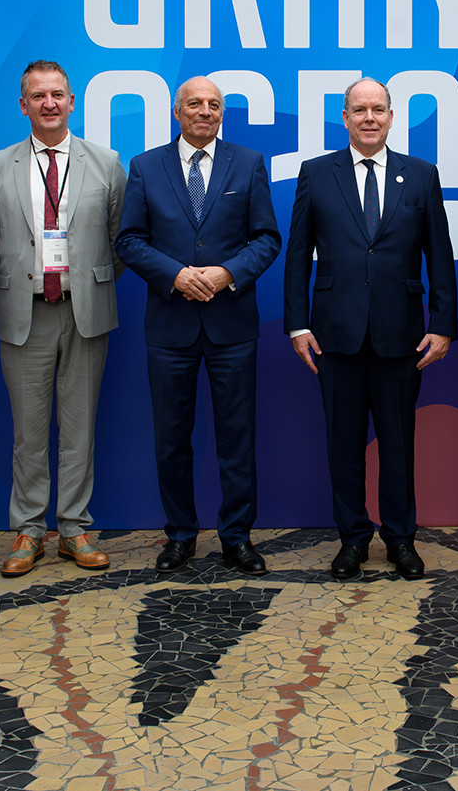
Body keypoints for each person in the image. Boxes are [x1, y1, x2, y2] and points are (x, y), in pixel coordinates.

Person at [283, 78, 456, 580]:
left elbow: (439, 256)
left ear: (391, 115)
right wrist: (297, 324)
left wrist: (443, 324)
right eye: (359, 110)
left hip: (402, 336)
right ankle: (352, 539)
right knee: (343, 444)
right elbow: (298, 256)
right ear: (344, 117)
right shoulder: (316, 173)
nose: (369, 118)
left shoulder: (420, 175)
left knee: (400, 444)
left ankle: (402, 539)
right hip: (334, 334)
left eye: (378, 109)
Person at [116, 76, 282, 574]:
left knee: (237, 436)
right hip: (170, 327)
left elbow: (267, 238)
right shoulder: (146, 166)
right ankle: (181, 535)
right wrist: (177, 275)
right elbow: (129, 240)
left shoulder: (248, 162)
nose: (204, 111)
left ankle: (237, 537)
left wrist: (228, 272)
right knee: (171, 438)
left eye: (214, 105)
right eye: (195, 104)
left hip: (232, 326)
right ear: (176, 111)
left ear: (222, 113)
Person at [0, 60, 127, 578]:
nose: (49, 103)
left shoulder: (106, 163)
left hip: (85, 312)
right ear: (23, 105)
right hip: (25, 313)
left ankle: (74, 529)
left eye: (58, 94)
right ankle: (28, 530)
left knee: (80, 428)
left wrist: (90, 283)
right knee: (28, 431)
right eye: (38, 96)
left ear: (71, 101)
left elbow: (119, 240)